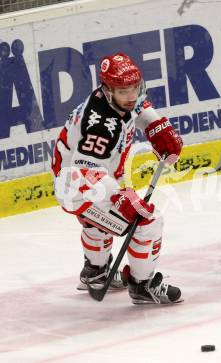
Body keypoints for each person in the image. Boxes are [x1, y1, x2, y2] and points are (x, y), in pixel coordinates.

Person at [51, 52, 183, 303]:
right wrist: (118, 196)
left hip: (80, 175)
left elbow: (140, 106)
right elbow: (86, 172)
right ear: (107, 89)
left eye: (134, 88)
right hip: (79, 184)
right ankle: (141, 286)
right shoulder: (100, 123)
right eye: (123, 91)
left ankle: (95, 272)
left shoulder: (116, 98)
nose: (131, 95)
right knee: (147, 221)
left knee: (99, 222)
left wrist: (157, 129)